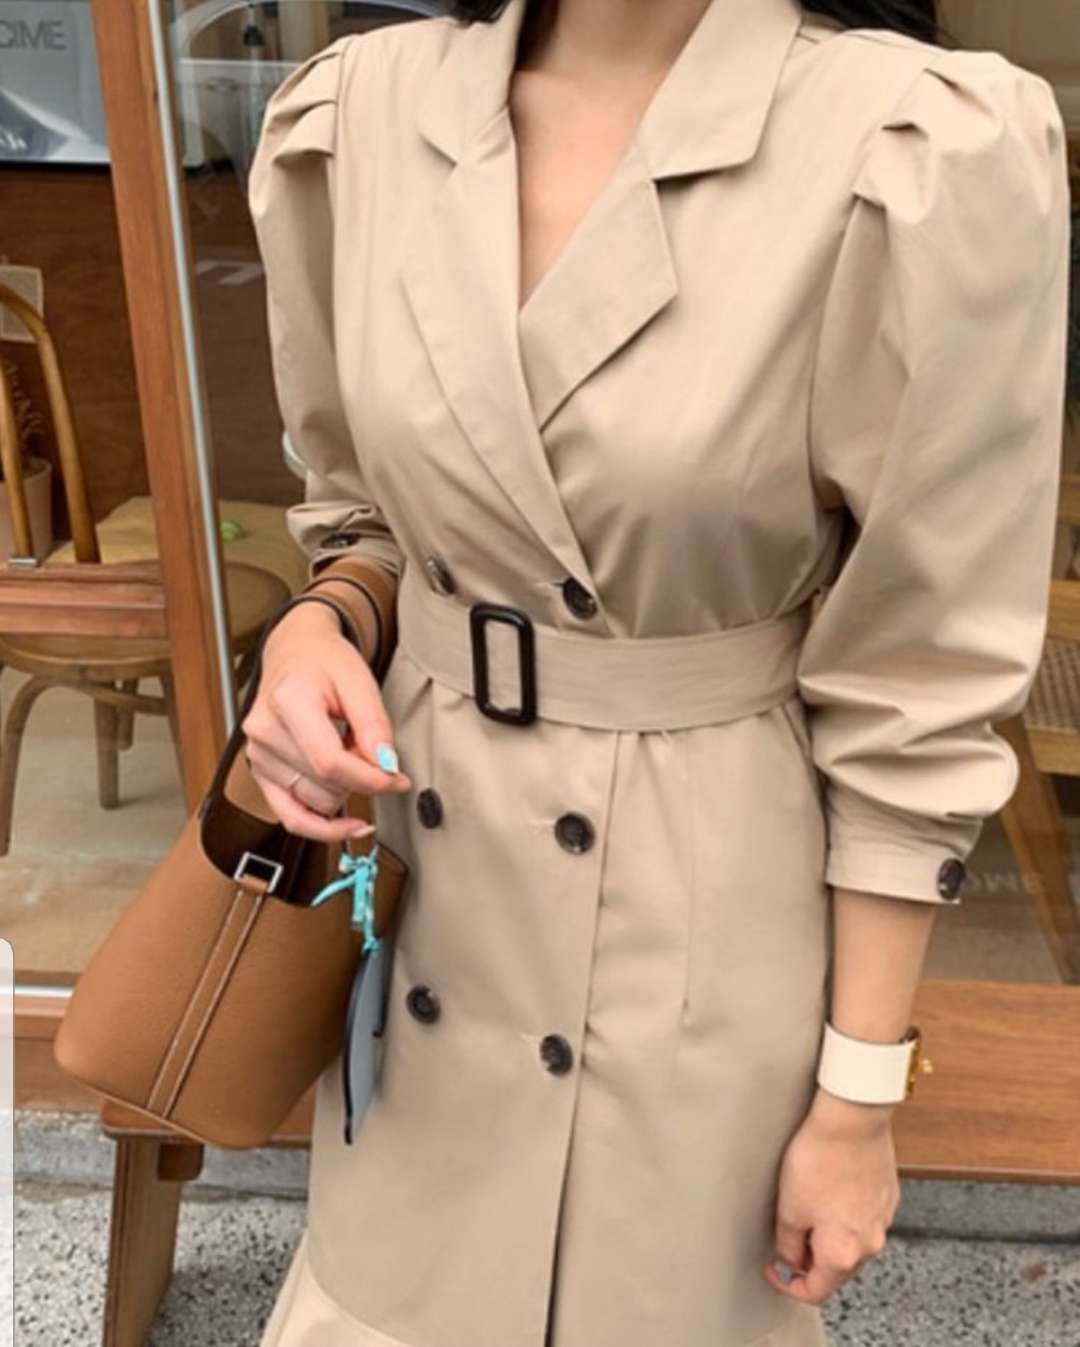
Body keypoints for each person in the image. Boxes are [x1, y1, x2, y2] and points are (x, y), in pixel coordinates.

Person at [241, 1, 1071, 1344]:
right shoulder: (358, 111)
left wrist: (857, 1102)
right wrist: (314, 628)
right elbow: (366, 516)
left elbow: (917, 683)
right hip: (429, 880)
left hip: (702, 920)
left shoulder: (910, 143)